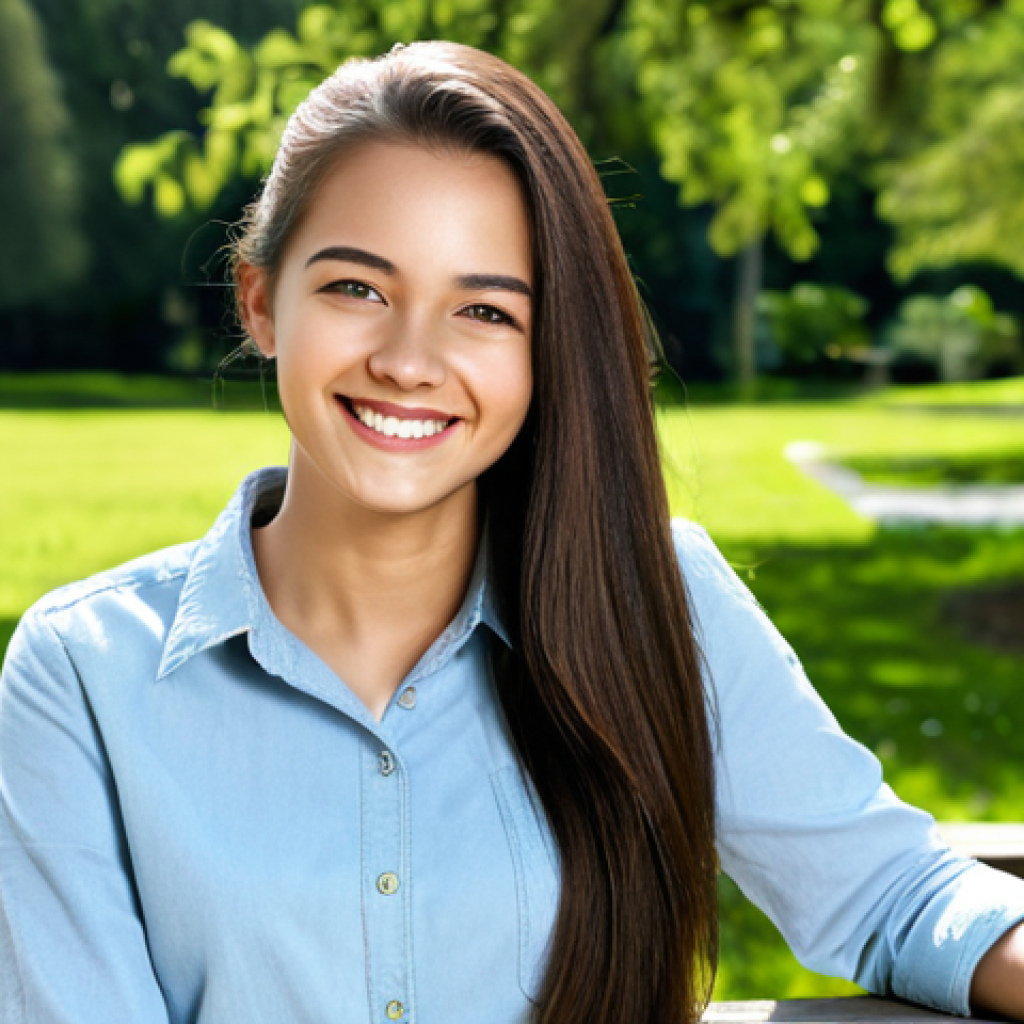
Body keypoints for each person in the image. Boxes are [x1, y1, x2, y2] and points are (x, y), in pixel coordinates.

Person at [1, 39, 1023, 1024]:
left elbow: (894, 897)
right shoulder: (82, 675)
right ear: (261, 301)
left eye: (484, 311)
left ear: (546, 348)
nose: (409, 360)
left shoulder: (656, 602)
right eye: (357, 288)